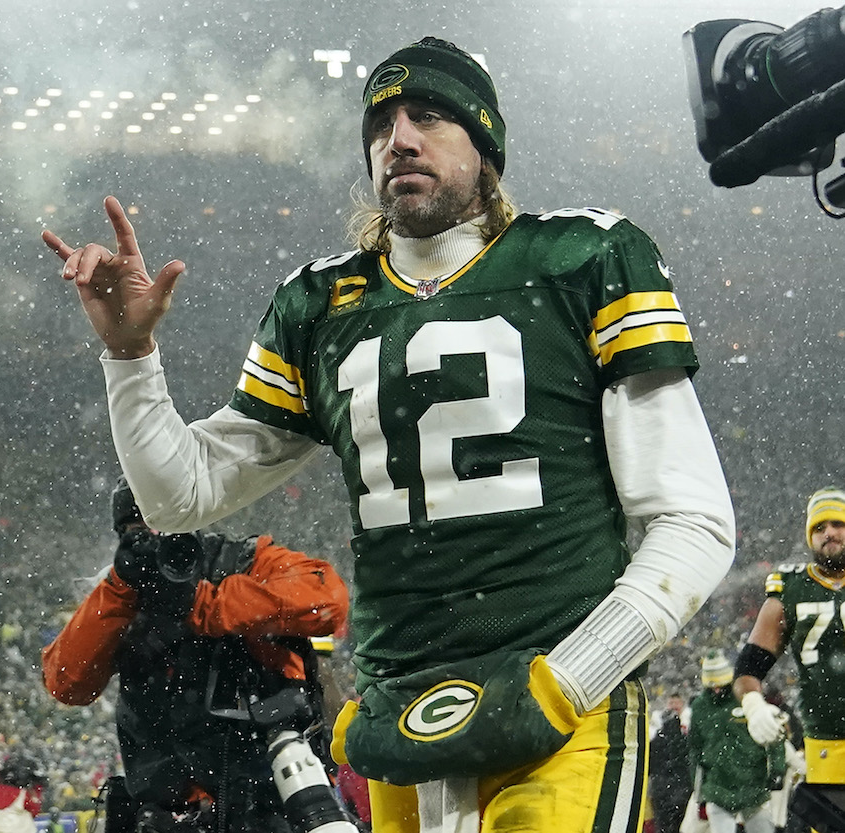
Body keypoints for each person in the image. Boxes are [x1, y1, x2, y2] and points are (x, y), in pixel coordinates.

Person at [43, 35, 735, 833]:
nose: (398, 139)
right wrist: (130, 355)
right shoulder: (321, 303)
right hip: (401, 724)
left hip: (562, 718)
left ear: (486, 143)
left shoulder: (585, 256)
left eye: (430, 116)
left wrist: (568, 680)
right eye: (381, 125)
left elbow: (695, 521)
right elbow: (181, 493)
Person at [41, 478, 350, 832]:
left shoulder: (242, 560)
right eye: (137, 534)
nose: (153, 544)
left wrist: (205, 605)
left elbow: (328, 601)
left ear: (191, 519)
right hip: (166, 812)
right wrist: (119, 589)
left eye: (161, 527)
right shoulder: (122, 596)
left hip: (265, 802)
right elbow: (66, 682)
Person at [734, 488, 845, 828]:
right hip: (825, 747)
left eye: (838, 523)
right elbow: (750, 666)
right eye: (819, 527)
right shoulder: (792, 588)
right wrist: (753, 705)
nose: (829, 532)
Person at [687, 651, 784, 833]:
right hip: (718, 787)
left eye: (720, 685)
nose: (716, 689)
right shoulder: (700, 707)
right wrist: (698, 787)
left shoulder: (746, 699)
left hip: (753, 784)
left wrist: (777, 770)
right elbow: (695, 748)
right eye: (712, 686)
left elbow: (774, 736)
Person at [649, 693, 692, 833]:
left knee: (664, 827)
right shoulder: (685, 740)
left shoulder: (655, 739)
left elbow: (648, 765)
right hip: (681, 791)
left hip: (661, 792)